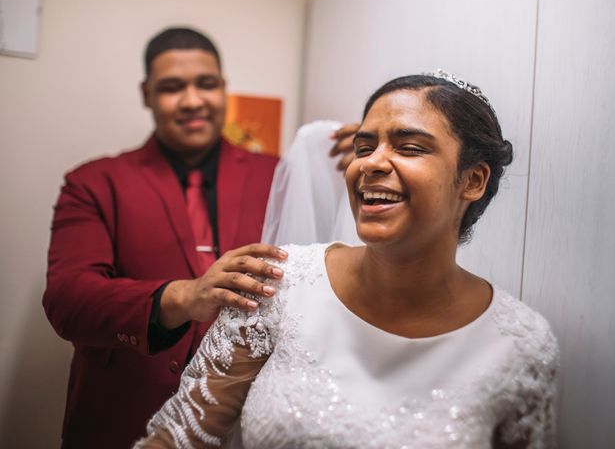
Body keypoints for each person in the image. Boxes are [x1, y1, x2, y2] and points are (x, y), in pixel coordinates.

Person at [137, 71, 560, 448]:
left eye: (409, 147)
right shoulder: (279, 286)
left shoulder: (522, 345)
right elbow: (179, 440)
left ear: (472, 180)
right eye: (365, 146)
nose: (371, 163)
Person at [43, 27, 355, 448]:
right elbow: (68, 299)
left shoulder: (278, 176)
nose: (192, 100)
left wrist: (365, 161)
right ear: (146, 93)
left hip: (245, 425)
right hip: (122, 421)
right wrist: (183, 297)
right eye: (172, 87)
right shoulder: (94, 182)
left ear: (224, 89)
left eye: (206, 84)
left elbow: (331, 278)